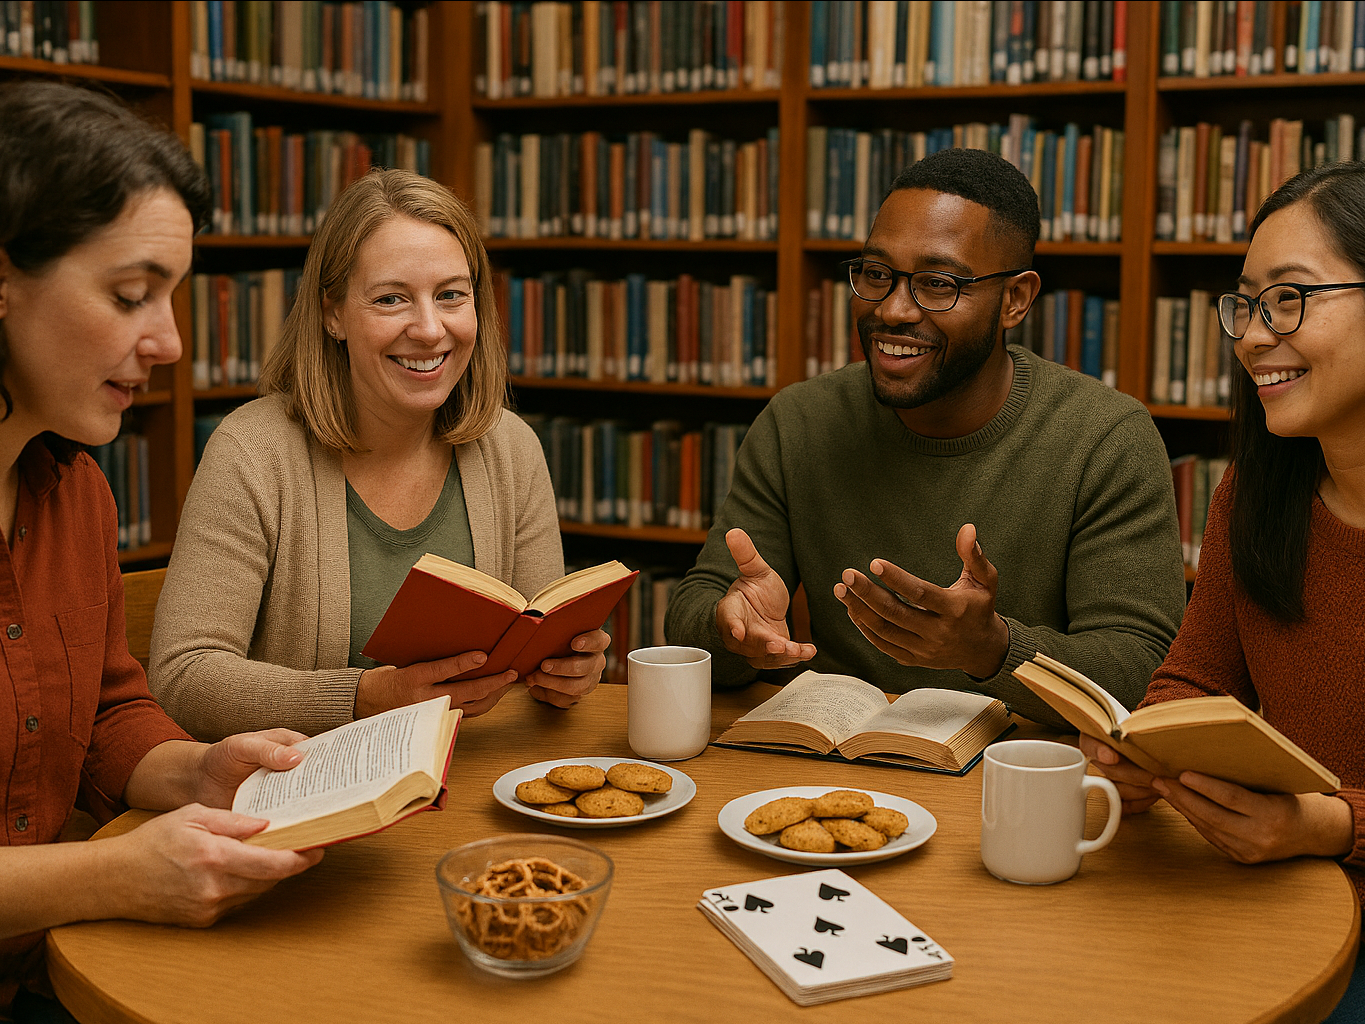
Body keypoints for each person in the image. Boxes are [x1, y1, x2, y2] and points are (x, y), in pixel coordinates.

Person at [0, 81, 323, 1023]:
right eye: (131, 295)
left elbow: (104, 712)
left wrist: (199, 769)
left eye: (173, 298)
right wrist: (111, 874)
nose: (172, 341)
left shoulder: (77, 495)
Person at [665, 148, 1187, 724]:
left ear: (1015, 299)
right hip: (839, 770)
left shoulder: (1105, 437)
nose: (892, 309)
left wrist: (990, 649)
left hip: (1019, 782)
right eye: (876, 274)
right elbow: (695, 609)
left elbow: (1143, 668)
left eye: (938, 284)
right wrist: (732, 626)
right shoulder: (799, 422)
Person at [148, 169, 608, 742]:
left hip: (472, 778)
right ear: (332, 313)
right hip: (306, 796)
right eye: (391, 299)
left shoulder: (510, 448)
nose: (429, 328)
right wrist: (363, 697)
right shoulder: (253, 452)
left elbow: (533, 643)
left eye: (451, 296)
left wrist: (567, 671)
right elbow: (182, 677)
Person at [1081, 162, 1365, 1023]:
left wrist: (1330, 825)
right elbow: (1193, 679)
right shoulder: (1252, 498)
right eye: (1244, 304)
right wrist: (1147, 753)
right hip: (1271, 897)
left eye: (1289, 298)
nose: (1249, 335)